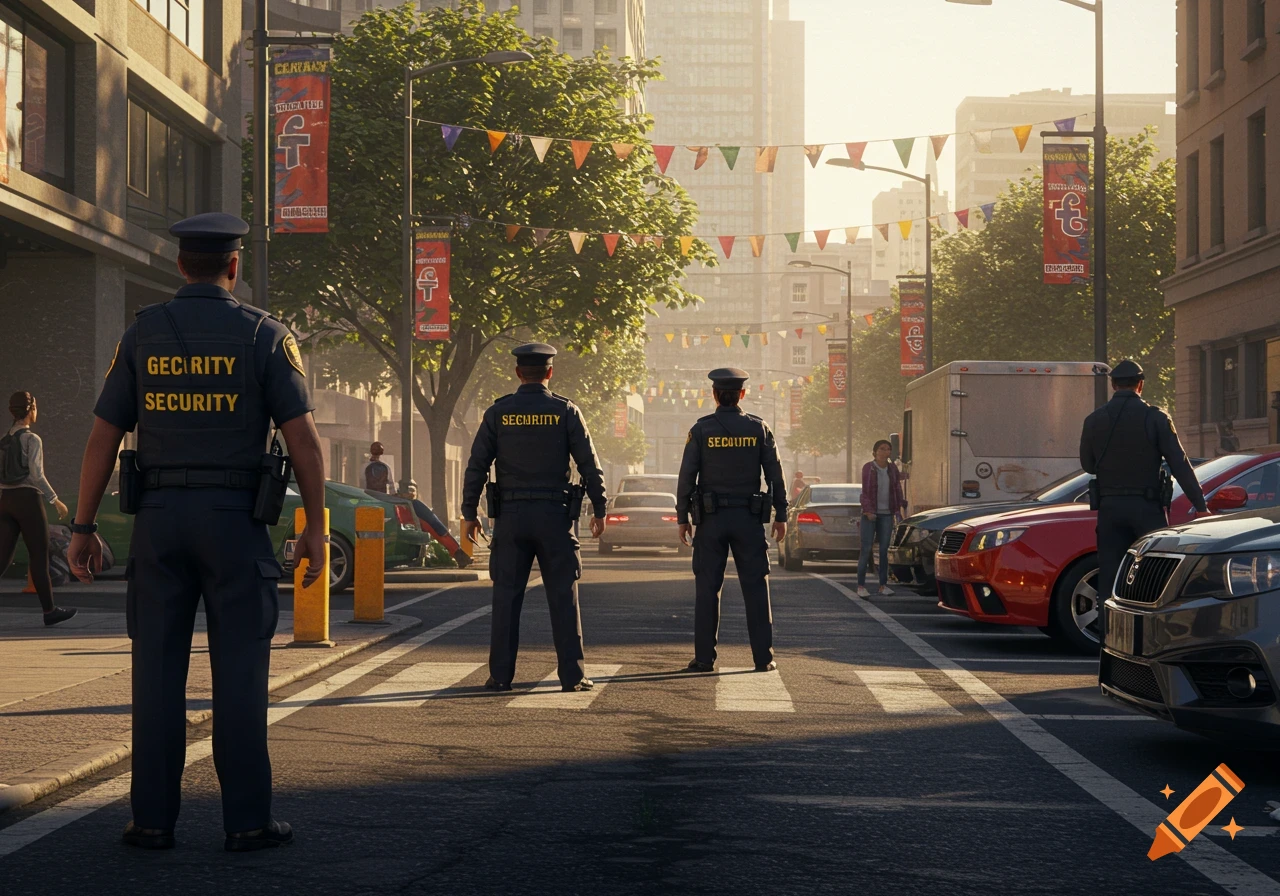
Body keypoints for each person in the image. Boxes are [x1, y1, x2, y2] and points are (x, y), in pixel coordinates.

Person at [65, 213, 328, 853]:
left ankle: (151, 821)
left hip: (158, 524)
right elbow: (304, 443)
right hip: (237, 526)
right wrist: (315, 529)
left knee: (155, 677)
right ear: (233, 267)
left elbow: (103, 436)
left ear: (180, 265)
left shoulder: (142, 335)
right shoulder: (266, 336)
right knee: (240, 677)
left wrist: (82, 526)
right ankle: (246, 821)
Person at [460, 343, 607, 693]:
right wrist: (599, 509)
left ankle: (500, 677)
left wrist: (469, 513)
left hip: (511, 519)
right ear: (550, 372)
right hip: (555, 517)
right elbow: (589, 463)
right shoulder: (566, 411)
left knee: (506, 598)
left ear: (517, 373)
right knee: (563, 596)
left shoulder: (498, 413)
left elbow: (477, 466)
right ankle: (572, 676)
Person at [1080, 359, 1206, 635]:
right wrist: (1200, 505)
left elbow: (1088, 465)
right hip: (1146, 508)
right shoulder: (1156, 417)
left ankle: (1110, 641)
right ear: (1141, 384)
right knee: (1153, 576)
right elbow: (1179, 462)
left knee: (1110, 579)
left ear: (1113, 385)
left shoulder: (1094, 420)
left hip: (1110, 508)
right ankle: (1150, 638)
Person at [676, 368, 787, 673]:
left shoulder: (701, 430)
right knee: (756, 587)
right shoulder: (758, 429)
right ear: (742, 394)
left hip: (711, 521)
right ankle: (764, 658)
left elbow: (687, 475)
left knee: (707, 589)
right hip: (748, 520)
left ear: (714, 395)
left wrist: (682, 517)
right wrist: (782, 514)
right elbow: (774, 474)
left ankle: (704, 659)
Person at [0, 391, 75, 624]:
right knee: (39, 557)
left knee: (1, 558)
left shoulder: (3, 440)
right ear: (31, 409)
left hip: (5, 501)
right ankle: (49, 611)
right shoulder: (32, 439)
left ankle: (50, 610)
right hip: (28, 501)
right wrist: (55, 500)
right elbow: (36, 475)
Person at [857, 439, 906, 598]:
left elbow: (897, 488)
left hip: (887, 514)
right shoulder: (869, 468)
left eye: (887, 449)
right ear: (875, 452)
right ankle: (861, 586)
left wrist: (900, 506)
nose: (885, 452)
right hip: (870, 515)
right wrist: (868, 511)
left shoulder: (892, 469)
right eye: (881, 449)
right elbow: (865, 492)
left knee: (884, 550)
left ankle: (883, 585)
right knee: (866, 550)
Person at [399, 481, 472, 568]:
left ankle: (459, 554)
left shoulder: (413, 504)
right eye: (408, 492)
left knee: (437, 529)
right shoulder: (407, 504)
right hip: (411, 523)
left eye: (412, 491)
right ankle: (459, 555)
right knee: (436, 528)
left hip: (419, 522)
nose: (411, 494)